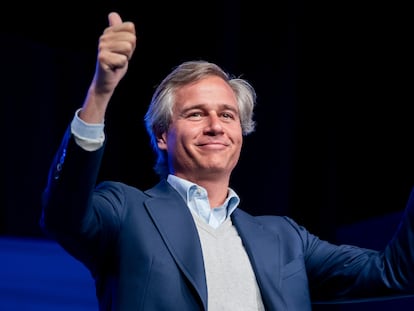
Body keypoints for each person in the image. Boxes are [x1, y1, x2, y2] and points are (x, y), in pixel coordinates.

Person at [40, 11, 414, 311]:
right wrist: (100, 93)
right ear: (161, 137)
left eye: (228, 115)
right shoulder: (126, 211)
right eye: (196, 114)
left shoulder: (285, 238)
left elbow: (395, 273)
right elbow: (62, 216)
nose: (216, 126)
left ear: (241, 134)